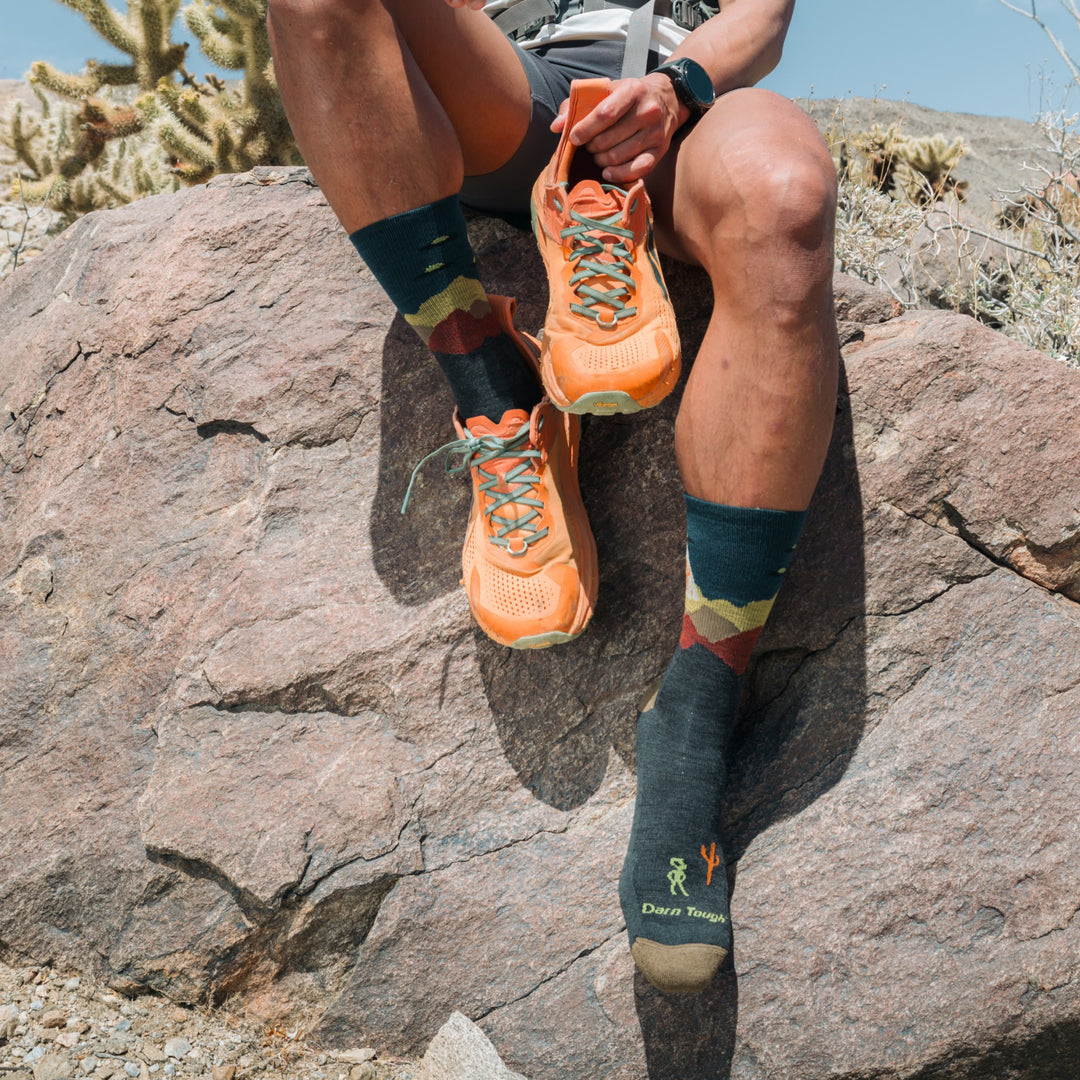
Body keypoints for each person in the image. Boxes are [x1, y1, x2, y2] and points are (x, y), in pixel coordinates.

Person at [265, 0, 838, 994]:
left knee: (785, 200)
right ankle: (495, 382)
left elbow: (764, 16)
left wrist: (675, 90)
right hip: (518, 95)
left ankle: (697, 709)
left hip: (693, 108)